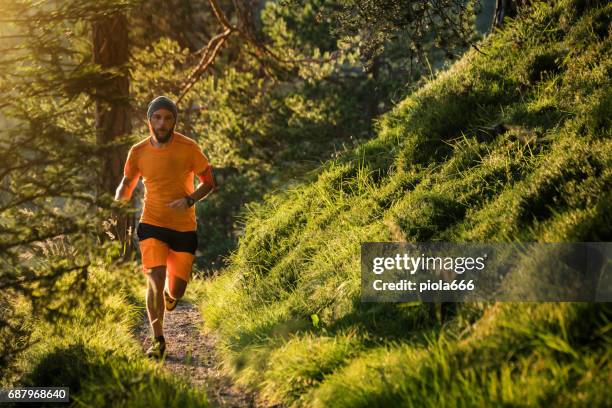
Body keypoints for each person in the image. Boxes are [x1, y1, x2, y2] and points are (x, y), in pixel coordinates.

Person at [114, 96, 216, 359]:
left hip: (183, 227)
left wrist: (190, 199)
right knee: (155, 280)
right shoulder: (138, 151)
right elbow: (127, 184)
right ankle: (158, 339)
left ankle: (172, 298)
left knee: (175, 290)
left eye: (167, 118)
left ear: (174, 121)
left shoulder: (188, 148)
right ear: (149, 120)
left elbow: (208, 181)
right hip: (152, 223)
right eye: (157, 118)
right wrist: (114, 207)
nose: (162, 123)